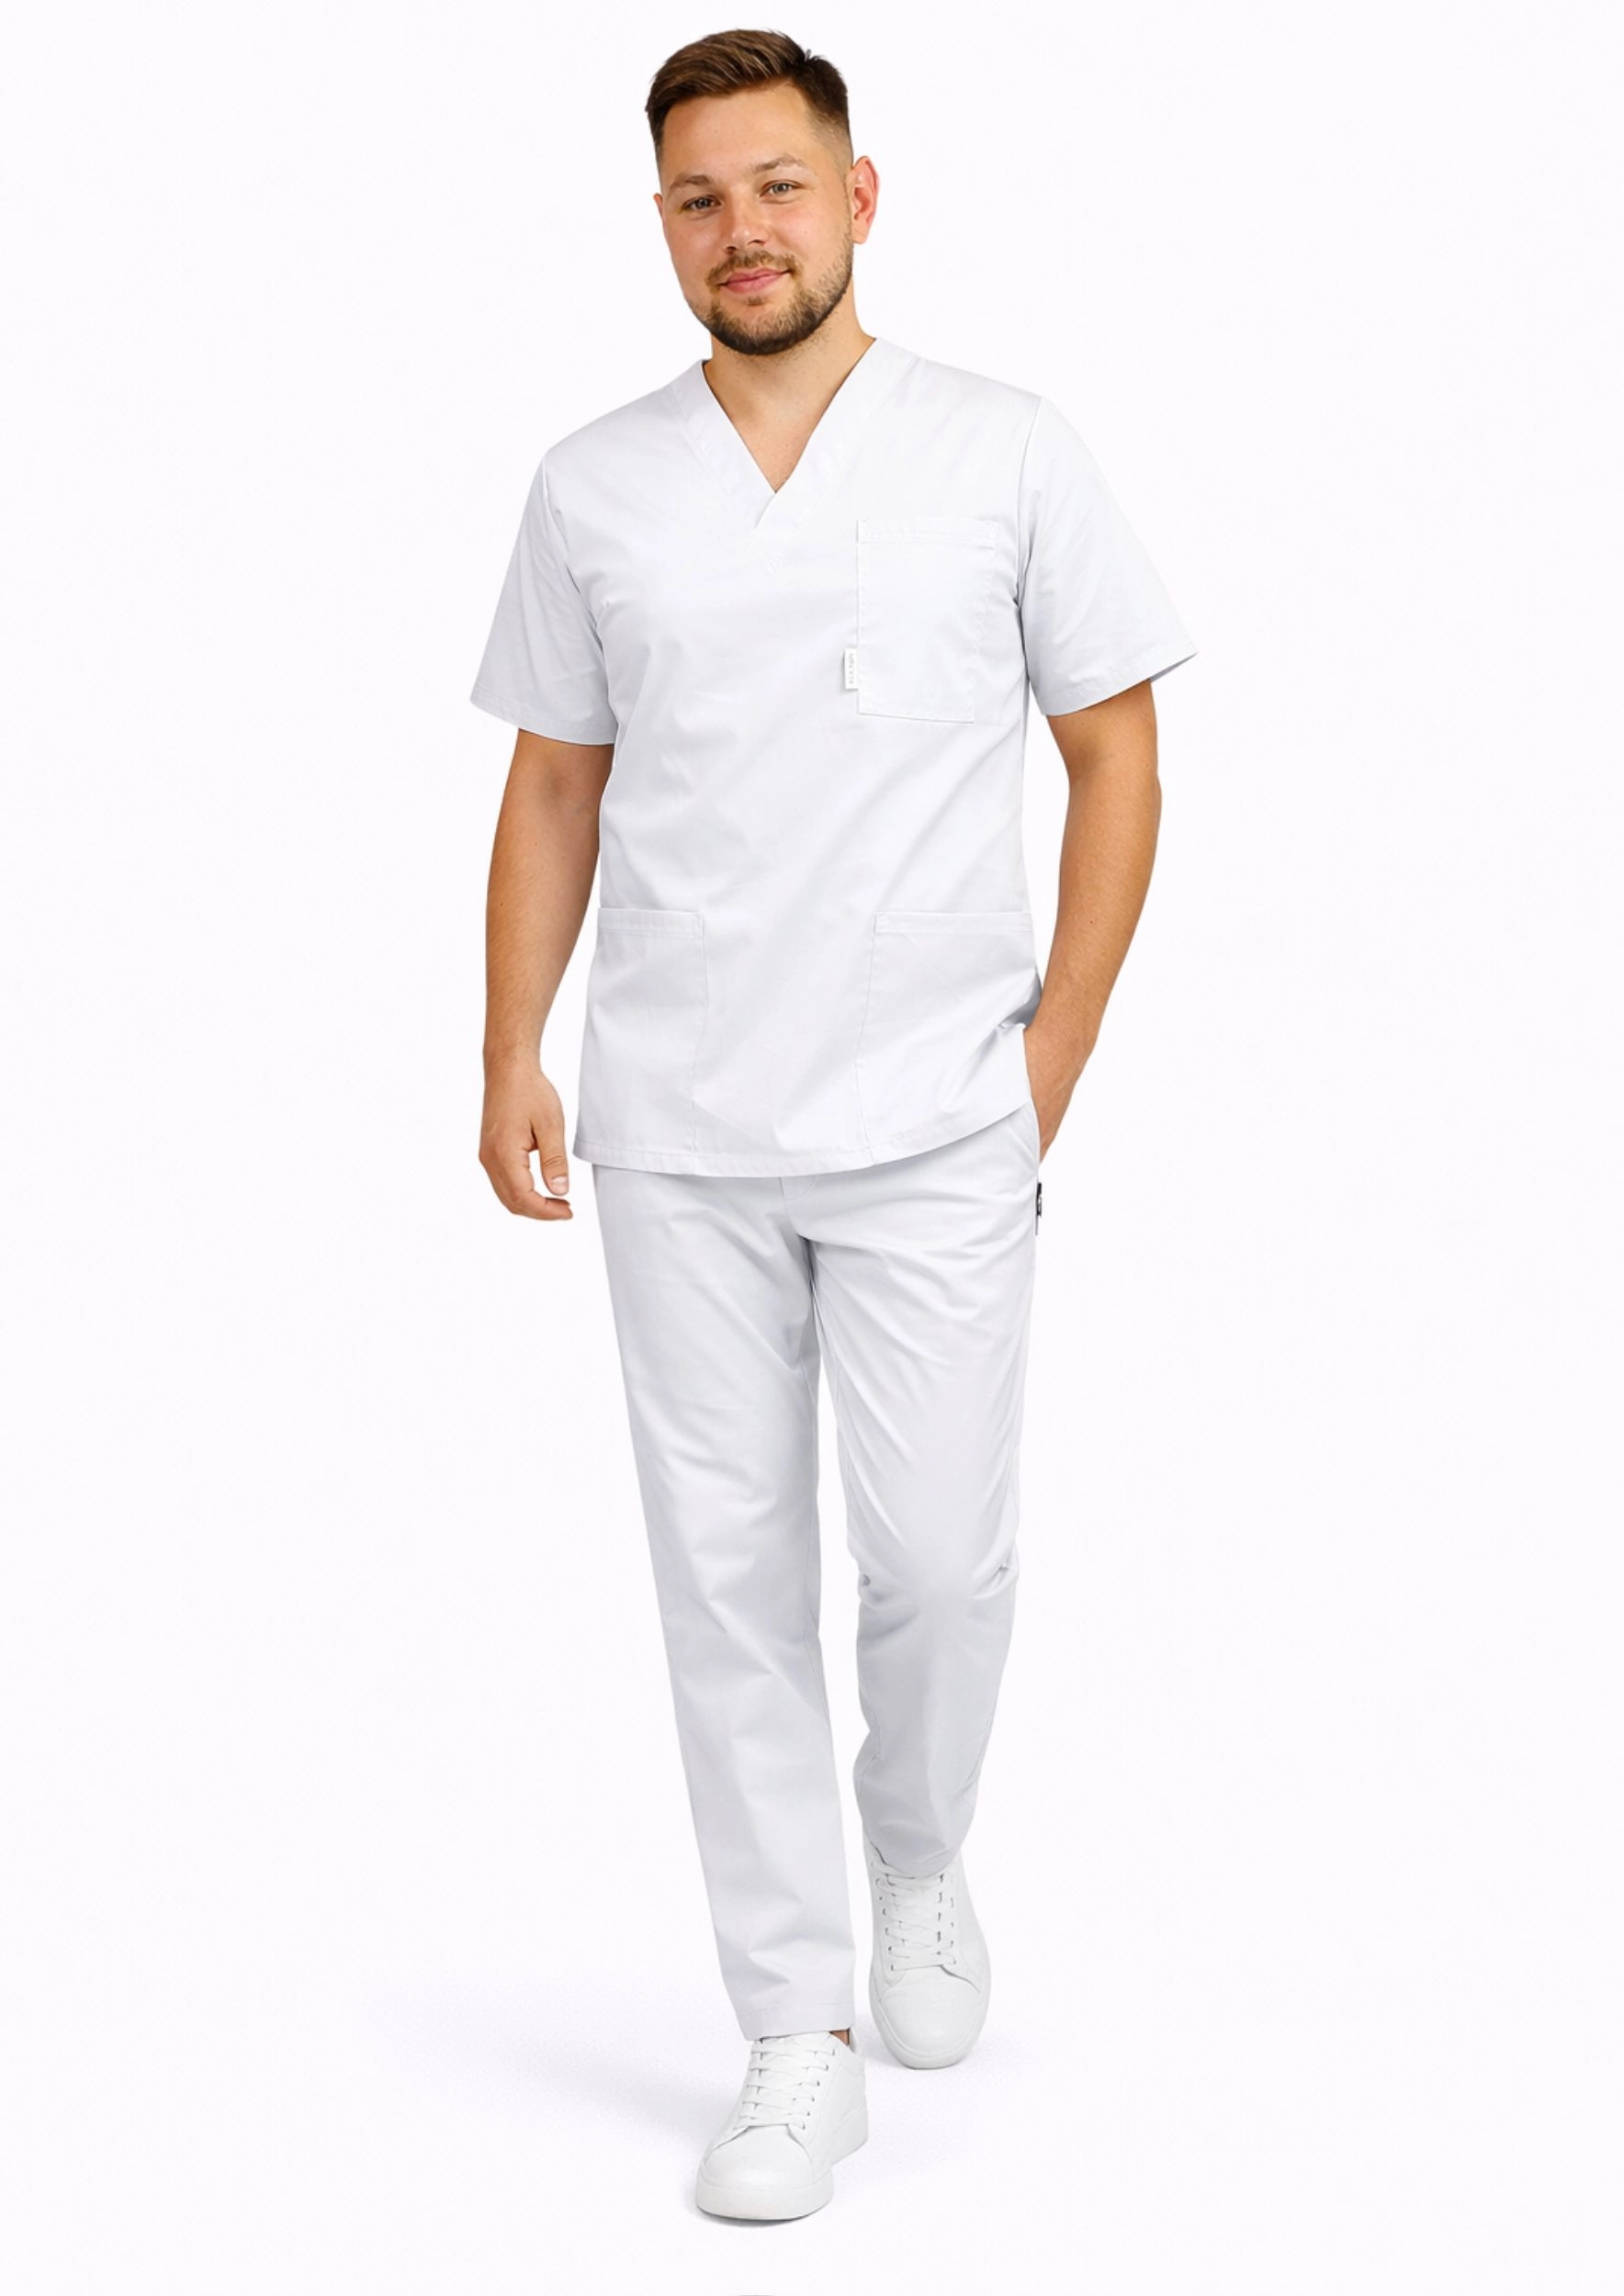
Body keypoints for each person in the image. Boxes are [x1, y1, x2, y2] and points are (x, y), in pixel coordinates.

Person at [469, 27, 1197, 2223]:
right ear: (660, 224)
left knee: (940, 1558)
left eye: (776, 187)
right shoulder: (595, 485)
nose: (742, 231)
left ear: (855, 198)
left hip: (936, 1114)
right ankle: (797, 2024)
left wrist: (1047, 1056)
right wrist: (511, 1047)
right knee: (723, 1578)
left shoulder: (1001, 450)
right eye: (698, 199)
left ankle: (914, 1842)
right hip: (680, 1120)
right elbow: (555, 782)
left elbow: (1114, 753)